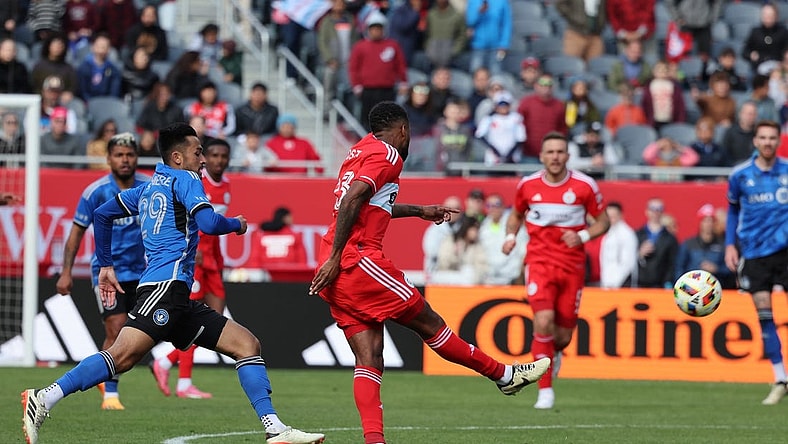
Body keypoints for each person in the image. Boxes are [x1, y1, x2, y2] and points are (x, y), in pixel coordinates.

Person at [22, 123, 325, 444]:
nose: (204, 160)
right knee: (121, 357)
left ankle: (274, 428)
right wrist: (236, 224)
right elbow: (208, 223)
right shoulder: (187, 179)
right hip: (164, 289)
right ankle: (44, 398)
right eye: (198, 152)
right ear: (178, 157)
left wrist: (105, 264)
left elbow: (102, 214)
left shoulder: (148, 187)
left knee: (246, 345)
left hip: (174, 294)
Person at [309, 102, 550, 443]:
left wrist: (420, 211)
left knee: (369, 356)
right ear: (403, 130)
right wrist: (337, 257)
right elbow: (353, 199)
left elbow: (368, 203)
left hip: (337, 264)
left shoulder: (358, 151)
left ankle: (374, 441)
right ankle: (503, 374)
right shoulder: (389, 153)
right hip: (356, 258)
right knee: (430, 324)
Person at [502, 131, 610, 410]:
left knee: (562, 335)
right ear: (541, 156)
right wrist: (510, 237)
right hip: (538, 263)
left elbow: (603, 221)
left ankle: (555, 352)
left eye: (560, 152)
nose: (555, 157)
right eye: (550, 152)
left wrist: (584, 236)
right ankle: (545, 391)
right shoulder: (528, 185)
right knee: (543, 320)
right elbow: (515, 215)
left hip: (572, 266)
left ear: (568, 156)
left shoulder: (584, 186)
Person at [55, 133, 148, 410]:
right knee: (116, 329)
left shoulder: (149, 187)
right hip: (108, 273)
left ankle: (107, 373)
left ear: (136, 158)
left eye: (129, 155)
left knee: (148, 332)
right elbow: (75, 234)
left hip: (143, 273)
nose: (125, 160)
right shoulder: (95, 192)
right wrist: (66, 272)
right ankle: (110, 392)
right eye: (119, 155)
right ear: (108, 158)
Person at [150, 138, 233, 399]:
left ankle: (166, 361)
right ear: (204, 157)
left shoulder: (227, 187)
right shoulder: (195, 181)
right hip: (194, 259)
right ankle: (184, 382)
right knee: (193, 316)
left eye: (224, 156)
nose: (219, 160)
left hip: (213, 262)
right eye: (214, 155)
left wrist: (218, 261)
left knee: (215, 318)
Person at [724, 120, 788, 406]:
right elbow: (732, 211)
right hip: (754, 253)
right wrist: (729, 245)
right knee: (765, 316)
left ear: (778, 141)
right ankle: (780, 379)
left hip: (786, 250)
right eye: (763, 138)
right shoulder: (740, 175)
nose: (767, 143)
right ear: (755, 141)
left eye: (772, 138)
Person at [675, 203, 731, 287]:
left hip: (714, 289)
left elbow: (729, 269)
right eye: (705, 220)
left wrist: (717, 269)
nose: (708, 224)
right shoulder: (689, 244)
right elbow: (679, 267)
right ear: (700, 222)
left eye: (711, 220)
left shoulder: (722, 244)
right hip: (692, 288)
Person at [635, 198, 679, 288]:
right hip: (639, 283)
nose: (655, 212)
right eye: (652, 208)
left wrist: (668, 282)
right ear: (647, 211)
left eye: (659, 209)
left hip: (660, 284)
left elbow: (673, 263)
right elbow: (626, 260)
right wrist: (639, 254)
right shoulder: (637, 235)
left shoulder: (670, 238)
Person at [599, 201, 637, 289]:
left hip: (621, 284)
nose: (611, 219)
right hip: (607, 283)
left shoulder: (627, 234)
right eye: (608, 216)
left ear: (620, 215)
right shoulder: (608, 234)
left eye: (613, 216)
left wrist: (615, 283)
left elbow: (628, 263)